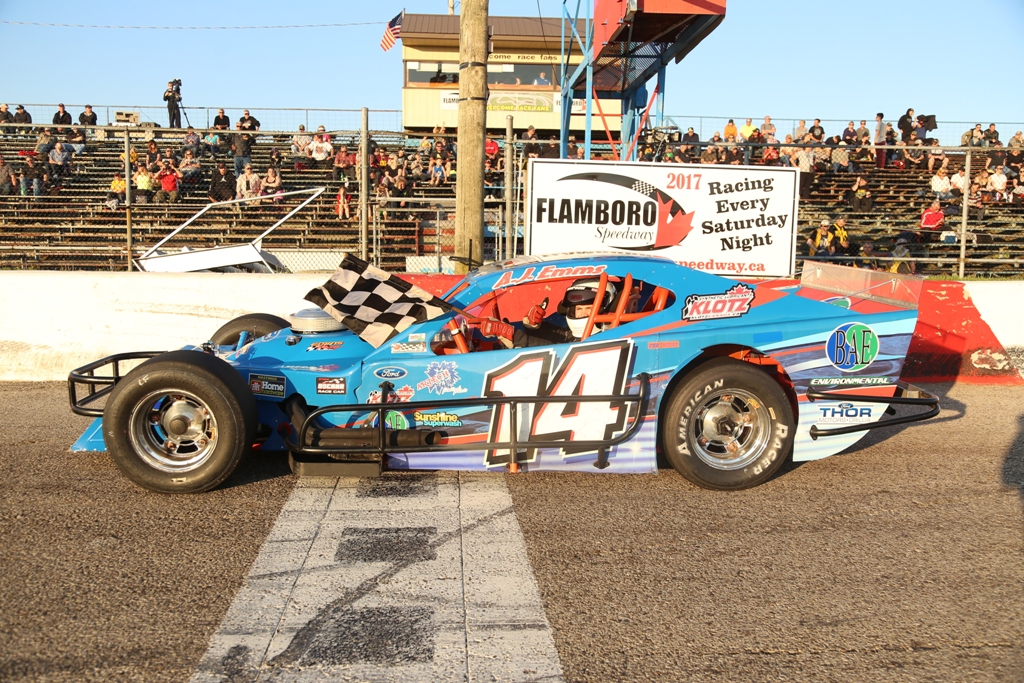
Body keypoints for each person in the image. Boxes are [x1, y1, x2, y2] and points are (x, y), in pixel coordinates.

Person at [514, 278, 622, 348]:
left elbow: (559, 351)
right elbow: (561, 335)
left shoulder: (607, 338)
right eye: (579, 309)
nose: (583, 313)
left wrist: (517, 338)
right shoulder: (575, 334)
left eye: (589, 308)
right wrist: (534, 327)